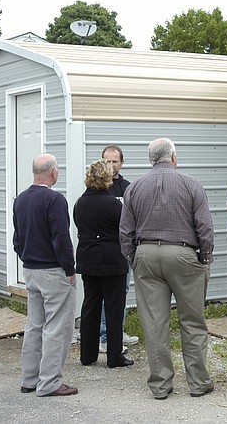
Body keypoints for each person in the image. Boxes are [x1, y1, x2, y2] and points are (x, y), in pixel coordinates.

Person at [120, 137, 215, 400]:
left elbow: (125, 231)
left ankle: (161, 385)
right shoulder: (191, 184)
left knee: (154, 324)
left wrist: (133, 258)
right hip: (184, 253)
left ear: (152, 159)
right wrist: (205, 259)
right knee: (192, 321)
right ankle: (198, 383)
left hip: (146, 254)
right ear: (173, 157)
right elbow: (205, 227)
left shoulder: (135, 187)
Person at [13, 153, 78, 397]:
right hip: (53, 271)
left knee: (34, 326)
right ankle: (50, 382)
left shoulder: (20, 200)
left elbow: (17, 239)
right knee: (57, 328)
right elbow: (61, 238)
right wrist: (69, 269)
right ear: (52, 172)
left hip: (30, 269)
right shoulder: (55, 200)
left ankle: (29, 379)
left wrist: (27, 257)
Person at [73, 159, 134, 369]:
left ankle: (87, 354)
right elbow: (125, 228)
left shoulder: (80, 202)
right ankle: (114, 356)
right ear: (107, 178)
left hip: (88, 259)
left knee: (90, 305)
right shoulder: (113, 204)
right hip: (111, 260)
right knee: (113, 308)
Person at [99, 144, 139, 353]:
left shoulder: (128, 187)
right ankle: (105, 335)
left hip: (124, 249)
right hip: (104, 249)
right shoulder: (97, 187)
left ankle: (118, 331)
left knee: (122, 291)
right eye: (107, 161)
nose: (111, 165)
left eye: (115, 161)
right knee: (106, 294)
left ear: (122, 163)